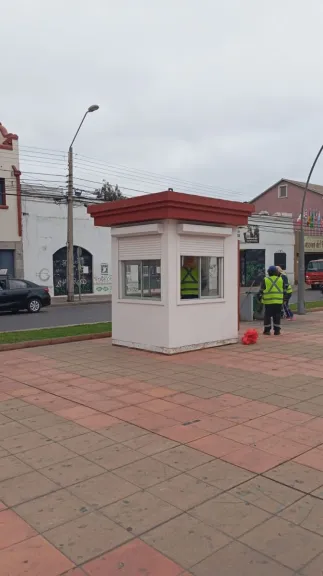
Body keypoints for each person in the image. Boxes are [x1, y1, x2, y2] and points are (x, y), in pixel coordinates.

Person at [258, 265, 285, 335]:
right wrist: (284, 299)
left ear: (269, 272)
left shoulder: (266, 280)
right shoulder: (280, 279)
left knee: (267, 316)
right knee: (277, 315)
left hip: (268, 302)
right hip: (278, 301)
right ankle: (277, 331)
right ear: (276, 272)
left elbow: (261, 291)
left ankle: (267, 331)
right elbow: (284, 290)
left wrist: (260, 298)